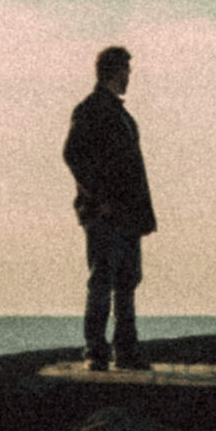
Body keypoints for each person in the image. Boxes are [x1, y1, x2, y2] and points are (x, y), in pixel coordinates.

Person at [63, 45, 156, 371]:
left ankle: (125, 350)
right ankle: (96, 351)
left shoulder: (118, 114)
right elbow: (73, 154)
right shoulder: (91, 110)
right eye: (126, 70)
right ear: (114, 71)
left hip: (127, 212)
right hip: (107, 213)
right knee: (103, 281)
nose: (129, 76)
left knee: (127, 282)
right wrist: (97, 197)